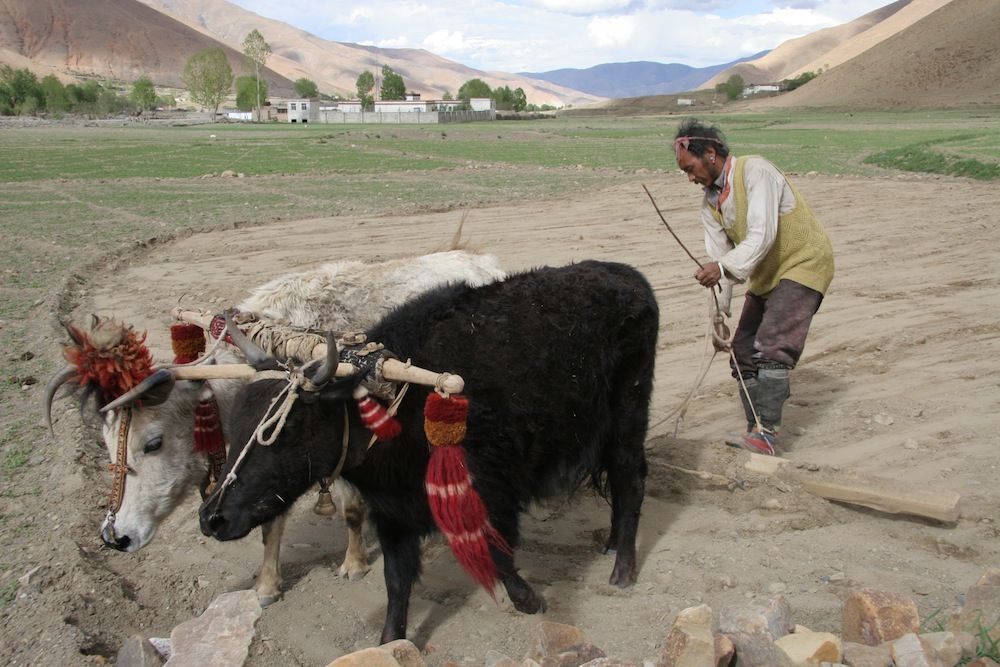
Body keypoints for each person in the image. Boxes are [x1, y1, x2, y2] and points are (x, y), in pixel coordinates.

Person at [673, 118, 834, 455]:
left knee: (773, 344)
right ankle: (755, 428)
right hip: (766, 274)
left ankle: (767, 436)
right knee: (742, 350)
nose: (690, 179)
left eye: (690, 168)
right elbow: (721, 258)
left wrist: (721, 267)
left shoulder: (755, 170)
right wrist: (719, 313)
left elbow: (762, 234)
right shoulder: (710, 204)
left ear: (711, 154)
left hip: (803, 262)